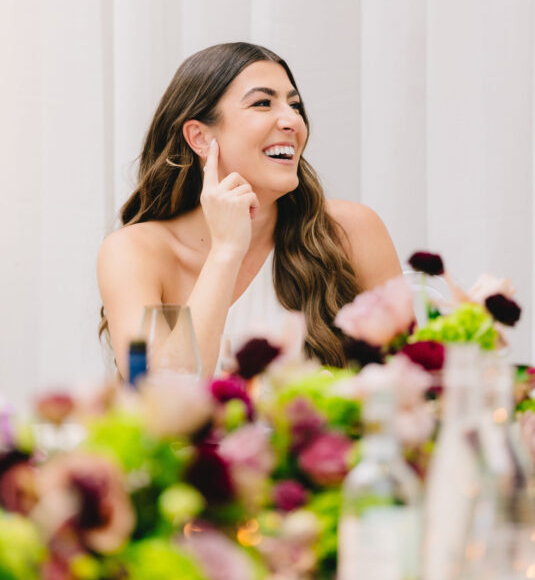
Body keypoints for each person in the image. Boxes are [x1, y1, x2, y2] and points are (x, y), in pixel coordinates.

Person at [97, 42, 401, 379]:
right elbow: (158, 393)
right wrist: (226, 251)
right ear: (199, 137)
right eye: (262, 103)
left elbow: (412, 377)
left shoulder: (350, 230)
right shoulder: (135, 252)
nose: (293, 120)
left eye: (295, 105)